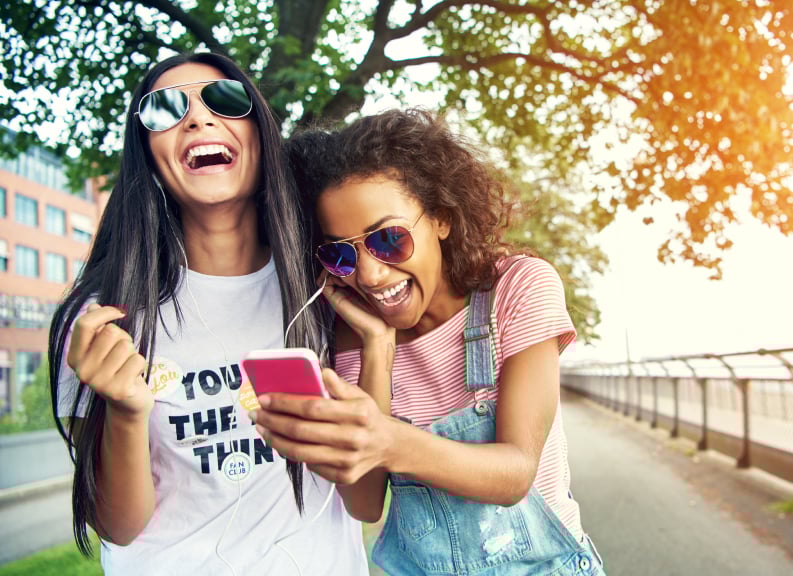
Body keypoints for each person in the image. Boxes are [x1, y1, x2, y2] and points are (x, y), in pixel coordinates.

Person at [48, 52, 368, 575]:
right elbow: (118, 527)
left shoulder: (327, 285)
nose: (198, 118)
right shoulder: (104, 318)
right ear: (148, 157)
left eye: (224, 100)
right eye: (165, 109)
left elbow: (365, 488)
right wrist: (126, 412)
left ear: (261, 135)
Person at [251, 108, 605, 575]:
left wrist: (387, 440)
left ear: (440, 218)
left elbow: (514, 475)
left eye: (388, 239)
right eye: (340, 254)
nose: (369, 275)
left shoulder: (518, 288)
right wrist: (378, 348)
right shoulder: (355, 333)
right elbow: (364, 503)